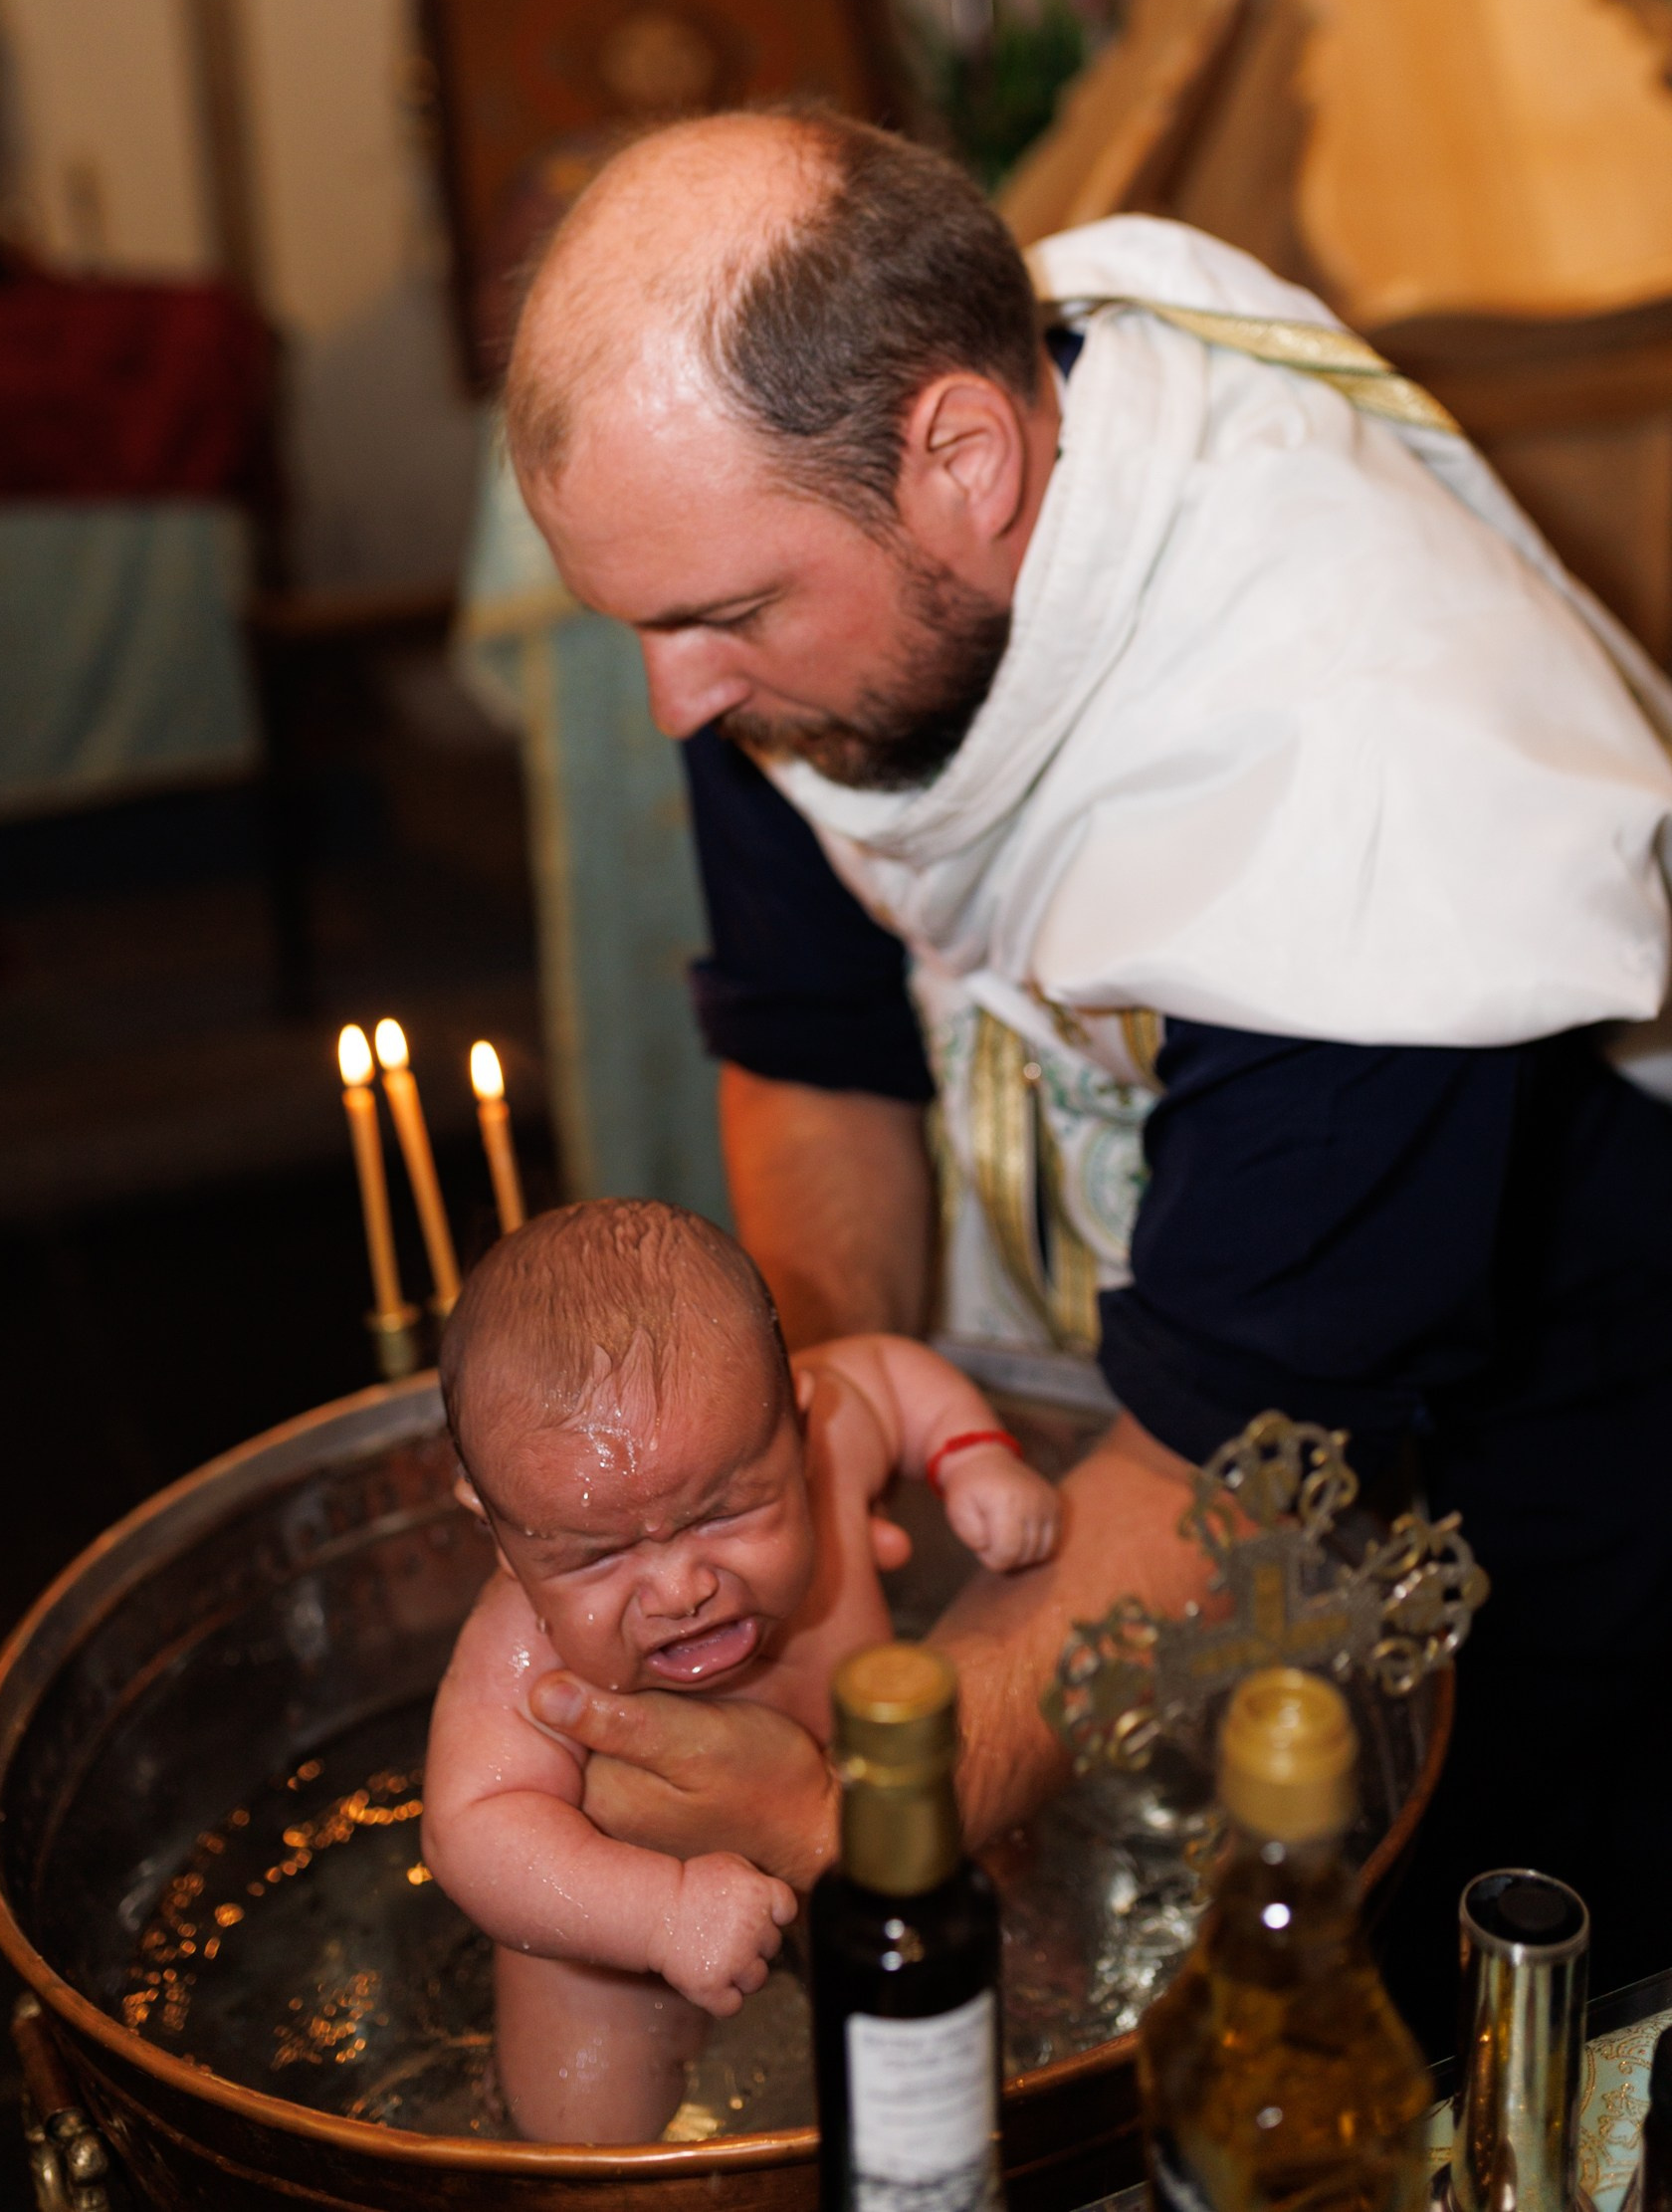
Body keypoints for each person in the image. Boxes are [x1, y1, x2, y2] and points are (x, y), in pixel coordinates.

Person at [498, 109, 1672, 2040]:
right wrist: (803, 1445)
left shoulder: (1370, 784)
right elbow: (816, 1044)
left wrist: (874, 1799)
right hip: (1185, 1384)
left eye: (721, 618)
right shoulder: (812, 566)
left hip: (1531, 1453)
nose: (674, 700)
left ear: (965, 456)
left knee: (1413, 2016)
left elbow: (1236, 1458)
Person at [422, 1198, 1061, 2139]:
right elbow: (470, 1833)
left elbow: (891, 1373)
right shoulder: (518, 1647)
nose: (681, 1589)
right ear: (499, 1534)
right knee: (582, 2131)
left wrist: (973, 1458)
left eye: (725, 1514)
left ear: (800, 1425)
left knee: (1016, 1953)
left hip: (854, 1840)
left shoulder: (829, 1442)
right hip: (619, 1941)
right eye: (597, 1557)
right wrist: (659, 1915)